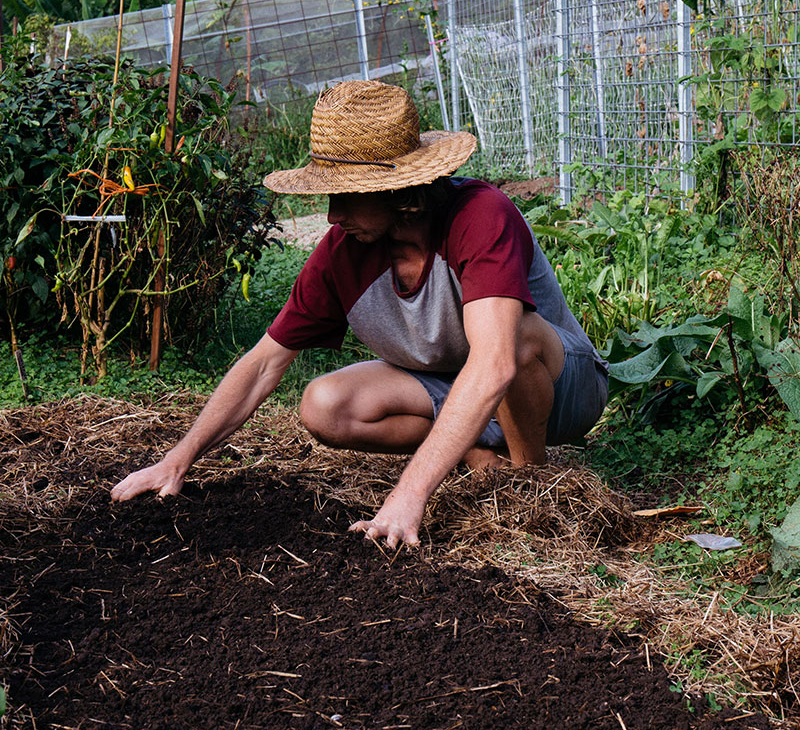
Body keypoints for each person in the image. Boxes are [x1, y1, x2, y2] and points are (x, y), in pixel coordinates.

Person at [111, 79, 608, 547]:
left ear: (399, 192)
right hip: (456, 387)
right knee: (324, 403)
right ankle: (473, 449)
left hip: (563, 388)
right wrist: (177, 461)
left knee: (511, 338)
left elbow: (496, 364)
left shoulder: (480, 215)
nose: (333, 215)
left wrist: (408, 495)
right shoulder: (342, 253)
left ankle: (528, 482)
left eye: (346, 196)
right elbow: (264, 363)